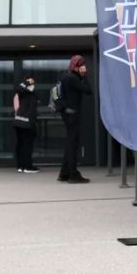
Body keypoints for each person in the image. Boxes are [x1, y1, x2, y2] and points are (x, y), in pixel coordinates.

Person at [57, 55, 92, 184]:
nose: (84, 67)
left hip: (66, 113)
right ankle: (73, 174)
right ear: (78, 66)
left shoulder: (64, 76)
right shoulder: (73, 79)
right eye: (82, 65)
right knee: (73, 144)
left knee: (70, 142)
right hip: (73, 114)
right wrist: (84, 76)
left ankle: (64, 173)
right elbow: (88, 90)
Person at [13, 75, 39, 174]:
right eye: (31, 84)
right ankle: (26, 166)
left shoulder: (31, 94)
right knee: (26, 145)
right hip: (25, 123)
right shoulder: (23, 93)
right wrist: (27, 82)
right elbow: (18, 88)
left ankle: (22, 166)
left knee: (22, 144)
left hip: (21, 122)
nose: (32, 85)